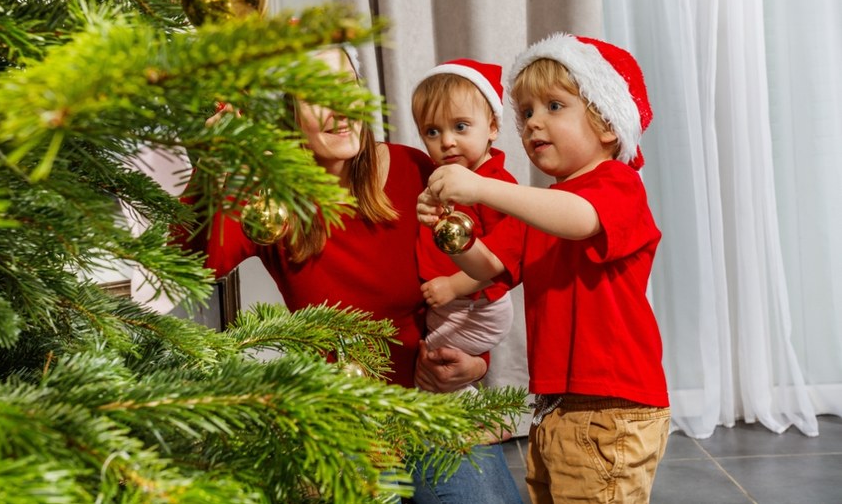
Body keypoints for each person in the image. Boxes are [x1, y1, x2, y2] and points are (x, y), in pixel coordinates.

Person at [174, 45, 524, 504]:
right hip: (342, 420)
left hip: (434, 406)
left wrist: (476, 364)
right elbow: (182, 265)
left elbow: (481, 280)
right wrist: (208, 172)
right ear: (285, 116)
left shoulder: (417, 170)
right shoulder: (269, 203)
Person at [418, 33, 671, 503]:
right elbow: (488, 265)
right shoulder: (542, 206)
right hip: (556, 405)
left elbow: (581, 220)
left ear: (607, 123)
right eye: (527, 112)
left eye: (554, 106)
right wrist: (449, 232)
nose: (534, 123)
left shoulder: (618, 184)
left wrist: (483, 189)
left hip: (611, 404)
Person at [409, 59, 516, 393]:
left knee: (428, 364)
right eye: (432, 131)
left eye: (460, 127)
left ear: (492, 127)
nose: (447, 142)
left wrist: (454, 286)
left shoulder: (495, 185)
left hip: (477, 305)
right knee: (434, 361)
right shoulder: (441, 178)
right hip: (455, 304)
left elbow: (506, 260)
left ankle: (471, 419)